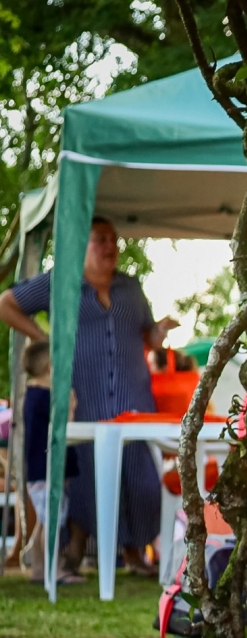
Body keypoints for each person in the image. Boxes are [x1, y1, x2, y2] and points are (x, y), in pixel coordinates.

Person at [0, 216, 179, 576]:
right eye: (100, 240)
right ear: (82, 244)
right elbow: (6, 303)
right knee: (84, 473)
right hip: (82, 394)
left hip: (132, 397)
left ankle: (134, 552)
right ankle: (74, 551)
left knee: (139, 473)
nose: (110, 246)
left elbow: (148, 336)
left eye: (114, 239)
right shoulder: (60, 282)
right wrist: (43, 338)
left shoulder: (131, 287)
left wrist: (160, 331)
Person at [20, 339, 85, 584]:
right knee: (52, 523)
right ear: (50, 367)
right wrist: (71, 405)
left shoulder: (32, 395)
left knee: (44, 521)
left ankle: (39, 569)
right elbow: (64, 428)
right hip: (49, 470)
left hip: (37, 471)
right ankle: (54, 570)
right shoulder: (48, 397)